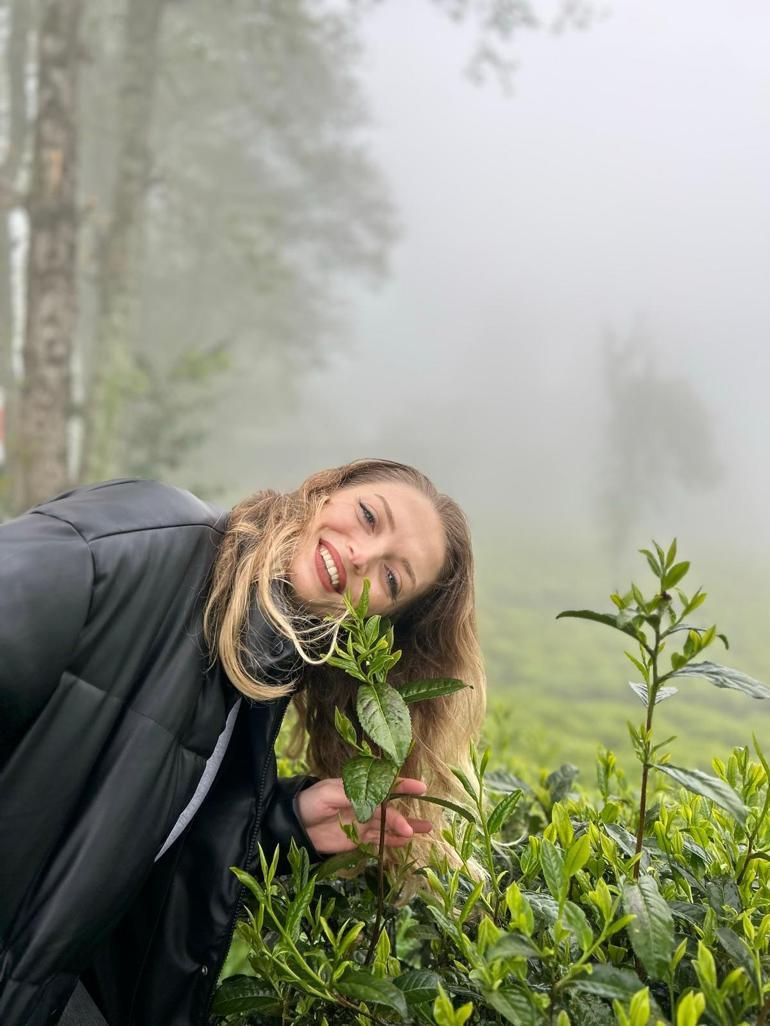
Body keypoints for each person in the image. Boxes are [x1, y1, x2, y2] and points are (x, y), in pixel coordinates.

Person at [0, 457, 486, 1026]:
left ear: (379, 621)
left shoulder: (260, 664)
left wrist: (285, 825)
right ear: (324, 491)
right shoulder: (147, 538)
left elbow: (128, 841)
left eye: (392, 578)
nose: (362, 557)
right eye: (368, 516)